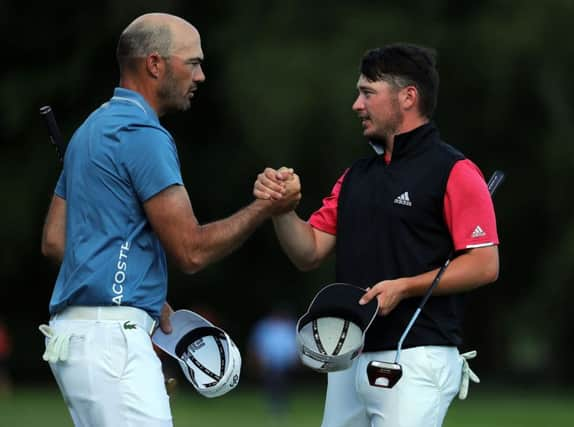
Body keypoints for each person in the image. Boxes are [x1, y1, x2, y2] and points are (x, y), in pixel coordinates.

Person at [40, 13, 299, 427]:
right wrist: (265, 208)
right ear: (155, 64)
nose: (201, 75)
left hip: (75, 341)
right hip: (112, 343)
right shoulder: (144, 134)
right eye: (192, 62)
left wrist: (124, 282)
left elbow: (55, 241)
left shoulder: (91, 129)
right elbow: (191, 251)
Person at [254, 43, 499, 427]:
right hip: (349, 354)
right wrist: (281, 210)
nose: (356, 104)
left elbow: (485, 264)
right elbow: (309, 251)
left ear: (408, 97)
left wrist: (404, 286)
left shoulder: (455, 171)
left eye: (368, 92)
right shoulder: (356, 177)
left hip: (418, 355)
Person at [248, 305, 299, 418]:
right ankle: (273, 406)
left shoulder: (289, 326)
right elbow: (257, 343)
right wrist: (259, 359)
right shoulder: (265, 326)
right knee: (271, 385)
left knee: (284, 385)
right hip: (269, 362)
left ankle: (282, 407)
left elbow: (294, 344)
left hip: (284, 363)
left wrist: (294, 358)